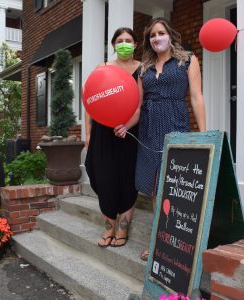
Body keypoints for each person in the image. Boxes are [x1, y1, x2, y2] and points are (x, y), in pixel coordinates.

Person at [115, 18, 206, 260]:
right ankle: (158, 241)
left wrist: (204, 133)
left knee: (174, 185)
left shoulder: (187, 60)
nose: (157, 38)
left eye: (161, 33)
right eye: (152, 35)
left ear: (170, 35)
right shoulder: (144, 68)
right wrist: (126, 126)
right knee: (156, 189)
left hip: (175, 126)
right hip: (148, 131)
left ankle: (175, 241)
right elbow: (137, 107)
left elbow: (196, 97)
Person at [85, 27, 141, 248]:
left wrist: (126, 126)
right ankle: (108, 227)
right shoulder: (103, 68)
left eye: (128, 40)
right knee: (104, 177)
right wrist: (88, 133)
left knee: (127, 178)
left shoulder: (140, 69)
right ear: (113, 44)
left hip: (129, 132)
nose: (124, 44)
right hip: (103, 132)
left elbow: (139, 105)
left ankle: (122, 229)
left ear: (136, 44)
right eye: (120, 40)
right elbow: (91, 100)